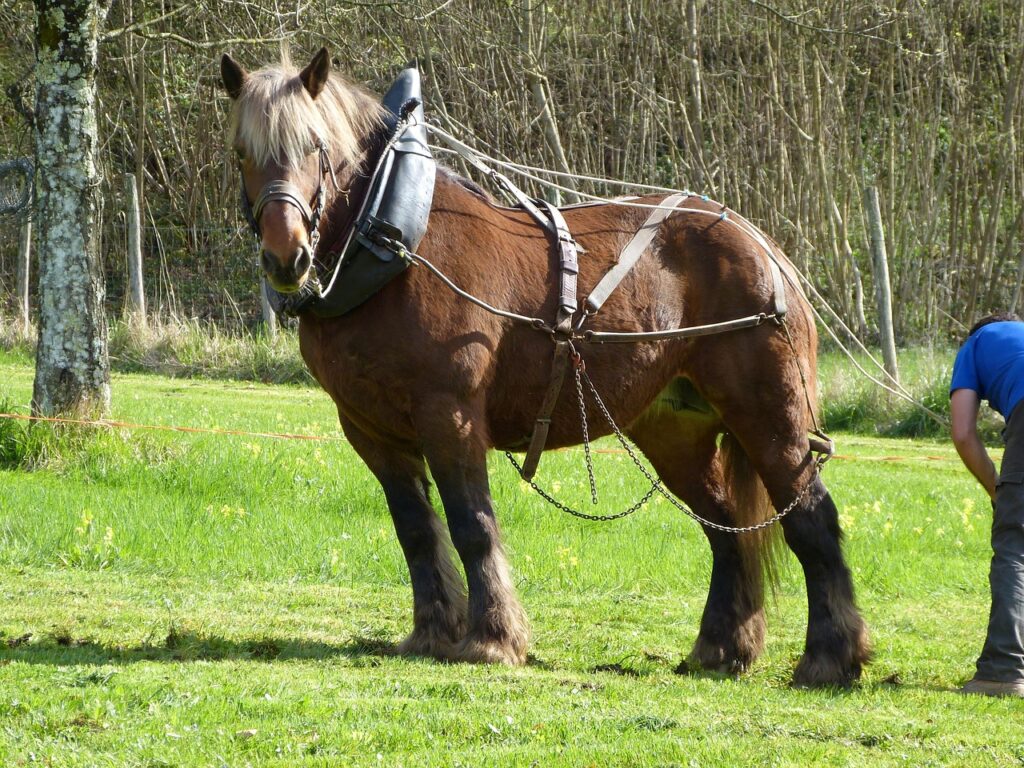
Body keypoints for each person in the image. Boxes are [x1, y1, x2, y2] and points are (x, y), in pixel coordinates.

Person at [950, 312, 1024, 697]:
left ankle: (1002, 670)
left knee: (1015, 545)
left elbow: (963, 434)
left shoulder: (975, 343)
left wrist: (997, 490)